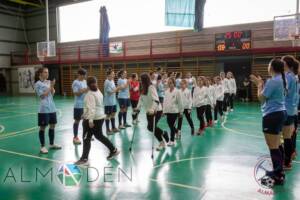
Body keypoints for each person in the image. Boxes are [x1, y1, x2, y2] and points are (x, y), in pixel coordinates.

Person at [250, 58, 286, 186]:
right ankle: (279, 172)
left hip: (272, 115)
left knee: (273, 146)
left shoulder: (273, 81)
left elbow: (261, 98)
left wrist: (259, 85)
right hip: (280, 113)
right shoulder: (281, 79)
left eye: (268, 65)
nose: (267, 67)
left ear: (271, 67)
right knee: (277, 145)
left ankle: (277, 176)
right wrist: (260, 84)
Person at [75, 76, 120, 165]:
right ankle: (113, 150)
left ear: (87, 85)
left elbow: (92, 108)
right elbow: (95, 106)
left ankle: (84, 159)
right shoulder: (98, 91)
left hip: (92, 119)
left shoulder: (90, 95)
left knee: (86, 138)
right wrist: (84, 114)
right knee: (99, 136)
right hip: (100, 117)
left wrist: (90, 120)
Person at [135, 73, 169, 151]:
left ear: (145, 80)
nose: (140, 81)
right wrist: (137, 108)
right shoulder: (142, 88)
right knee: (151, 128)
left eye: (141, 80)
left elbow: (156, 100)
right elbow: (141, 99)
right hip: (149, 111)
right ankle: (163, 136)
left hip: (157, 110)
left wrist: (153, 109)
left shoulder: (151, 87)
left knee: (151, 127)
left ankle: (162, 139)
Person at [34, 67, 61, 154]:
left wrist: (52, 87)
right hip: (44, 109)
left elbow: (52, 94)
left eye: (48, 72)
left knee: (52, 125)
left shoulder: (48, 82)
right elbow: (42, 96)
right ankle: (42, 146)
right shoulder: (37, 84)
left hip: (52, 107)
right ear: (40, 74)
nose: (47, 74)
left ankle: (52, 144)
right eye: (45, 72)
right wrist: (51, 87)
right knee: (43, 127)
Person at [281, 55, 299, 170]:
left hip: (286, 109)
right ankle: (290, 155)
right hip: (292, 109)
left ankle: (286, 162)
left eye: (282, 62)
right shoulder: (294, 76)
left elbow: (284, 93)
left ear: (286, 65)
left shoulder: (287, 77)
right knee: (289, 136)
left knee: (285, 137)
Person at [163, 78, 183, 146]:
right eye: (169, 83)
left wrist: (181, 112)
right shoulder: (166, 91)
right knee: (170, 125)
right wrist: (164, 111)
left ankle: (172, 140)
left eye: (171, 83)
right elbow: (165, 102)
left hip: (175, 111)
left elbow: (180, 102)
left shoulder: (177, 91)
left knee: (172, 126)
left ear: (174, 83)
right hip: (168, 111)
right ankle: (177, 131)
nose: (169, 84)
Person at [72, 68, 88, 145]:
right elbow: (76, 93)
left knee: (85, 120)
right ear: (79, 74)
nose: (84, 77)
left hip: (85, 104)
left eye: (84, 75)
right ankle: (75, 137)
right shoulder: (75, 82)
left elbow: (86, 91)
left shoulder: (85, 81)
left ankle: (85, 135)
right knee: (77, 121)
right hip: (78, 105)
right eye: (82, 75)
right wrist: (84, 90)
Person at [104, 69, 120, 134]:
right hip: (108, 102)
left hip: (113, 101)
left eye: (114, 74)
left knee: (113, 114)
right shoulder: (107, 81)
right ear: (108, 75)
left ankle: (113, 128)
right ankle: (108, 130)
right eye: (112, 74)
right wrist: (117, 89)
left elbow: (113, 89)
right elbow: (110, 92)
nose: (114, 75)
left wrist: (116, 89)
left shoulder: (112, 81)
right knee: (108, 115)